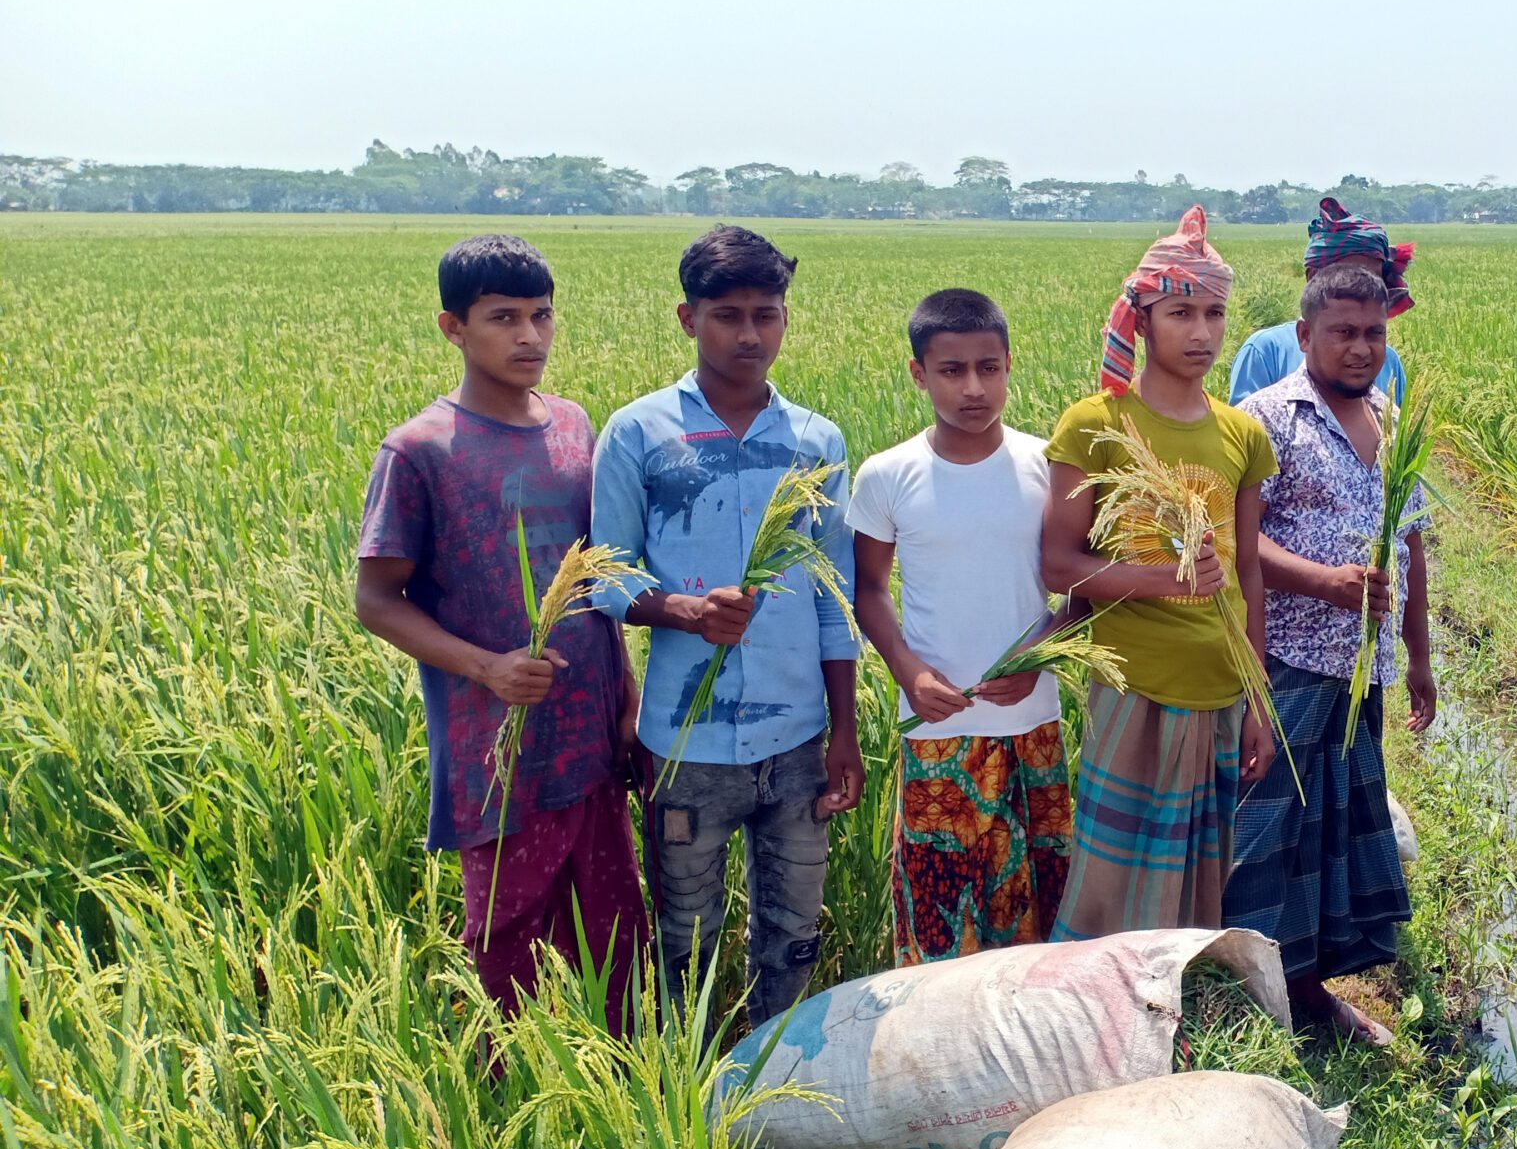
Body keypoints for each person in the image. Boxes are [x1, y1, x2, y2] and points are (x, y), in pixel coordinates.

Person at [355, 233, 647, 1032]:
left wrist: (628, 697)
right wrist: (486, 668)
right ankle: (515, 1107)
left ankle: (625, 1099)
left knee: (615, 936)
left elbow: (591, 573)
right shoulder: (418, 451)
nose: (529, 337)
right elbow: (376, 599)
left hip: (588, 731)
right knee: (508, 944)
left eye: (542, 316)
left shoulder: (574, 425)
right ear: (453, 327)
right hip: (501, 747)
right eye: (503, 318)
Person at [591, 224, 863, 1026]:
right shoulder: (640, 434)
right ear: (687, 318)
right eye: (727, 314)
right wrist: (680, 609)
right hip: (686, 740)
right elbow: (605, 569)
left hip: (795, 739)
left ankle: (784, 1096)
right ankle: (698, 1096)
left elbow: (832, 595)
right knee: (687, 938)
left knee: (793, 932)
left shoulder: (814, 440)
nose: (750, 334)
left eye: (767, 313)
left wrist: (843, 728)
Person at [1039, 206, 1278, 938]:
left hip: (1220, 689)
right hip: (1134, 686)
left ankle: (1177, 1000)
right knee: (1111, 873)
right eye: (1180, 312)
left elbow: (1249, 578)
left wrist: (1260, 702)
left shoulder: (1241, 433)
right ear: (1140, 318)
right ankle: (1093, 1016)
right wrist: (1167, 581)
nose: (1202, 332)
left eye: (1214, 313)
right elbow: (1059, 564)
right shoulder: (1096, 423)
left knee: (1200, 871)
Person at [1227, 265, 1437, 1044]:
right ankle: (1240, 994)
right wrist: (1322, 581)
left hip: (1363, 668)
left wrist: (1418, 657)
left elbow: (1412, 547)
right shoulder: (1263, 420)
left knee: (1330, 836)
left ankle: (1309, 991)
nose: (1360, 348)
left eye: (1374, 333)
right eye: (1342, 332)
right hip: (1286, 658)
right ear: (1305, 335)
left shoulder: (1390, 423)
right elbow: (1233, 542)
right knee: (1260, 837)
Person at [850, 288, 1071, 964]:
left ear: (1009, 364)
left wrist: (1045, 648)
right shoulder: (889, 475)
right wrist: (908, 669)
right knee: (941, 917)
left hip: (1033, 725)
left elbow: (1083, 586)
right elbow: (870, 589)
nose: (974, 388)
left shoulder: (1048, 466)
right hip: (939, 730)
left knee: (1040, 908)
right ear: (918, 373)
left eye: (988, 367)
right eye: (951, 370)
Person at [1224, 197, 1413, 404]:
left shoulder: (1388, 361)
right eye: (1348, 278)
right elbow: (1244, 431)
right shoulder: (1265, 351)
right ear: (1312, 276)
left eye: (1373, 279)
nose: (1365, 289)